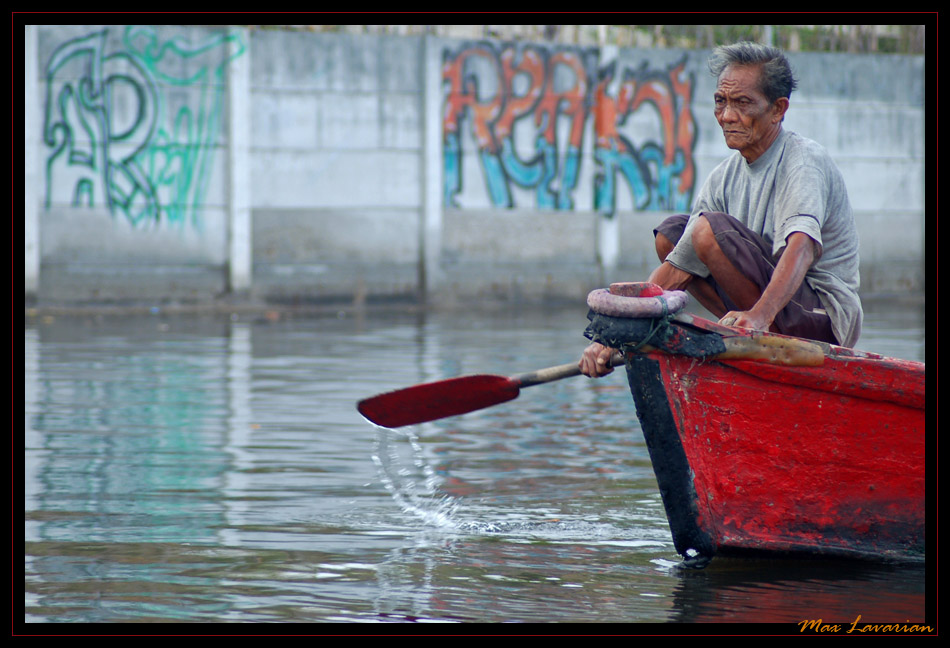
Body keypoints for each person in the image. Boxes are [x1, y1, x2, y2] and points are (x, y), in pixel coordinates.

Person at [580, 41, 862, 378]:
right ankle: (743, 328)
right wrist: (613, 338)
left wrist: (759, 317)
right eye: (720, 102)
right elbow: (677, 266)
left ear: (777, 109)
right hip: (768, 312)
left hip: (821, 321)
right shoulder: (723, 177)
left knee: (704, 230)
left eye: (742, 103)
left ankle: (755, 327)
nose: (727, 116)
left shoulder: (803, 160)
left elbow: (800, 249)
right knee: (671, 237)